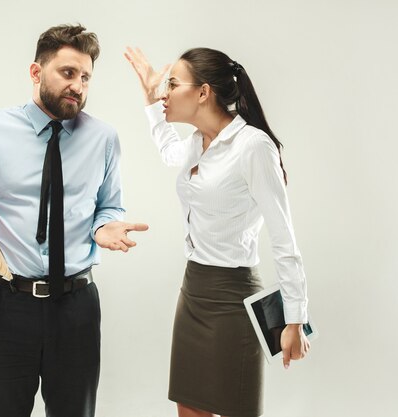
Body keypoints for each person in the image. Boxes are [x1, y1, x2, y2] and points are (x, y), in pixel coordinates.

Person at [0, 24, 148, 417]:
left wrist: (104, 228)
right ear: (36, 73)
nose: (79, 86)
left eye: (86, 77)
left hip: (76, 308)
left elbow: (109, 206)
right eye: (68, 73)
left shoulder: (103, 138)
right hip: (6, 304)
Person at [124, 46, 310, 417]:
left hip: (233, 300)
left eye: (172, 84)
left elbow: (283, 238)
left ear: (203, 92)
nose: (165, 92)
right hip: (193, 291)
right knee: (189, 408)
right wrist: (149, 103)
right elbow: (168, 153)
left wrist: (295, 319)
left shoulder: (253, 147)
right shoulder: (197, 143)